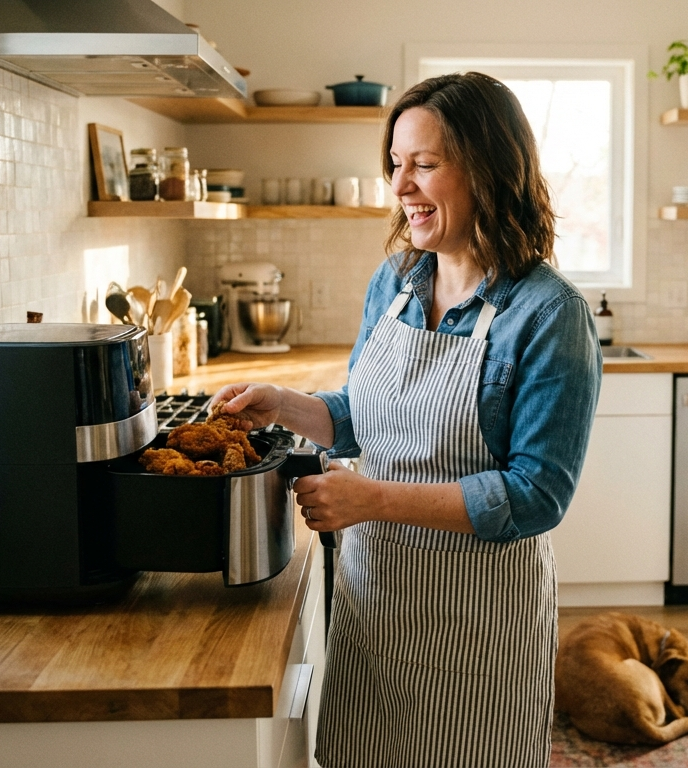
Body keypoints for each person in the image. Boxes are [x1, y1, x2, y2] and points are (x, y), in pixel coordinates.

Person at [215, 72, 601, 768]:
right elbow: (363, 418)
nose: (401, 186)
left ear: (489, 168)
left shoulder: (549, 315)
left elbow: (537, 495)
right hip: (376, 604)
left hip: (479, 626)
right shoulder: (394, 282)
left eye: (424, 165)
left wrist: (374, 499)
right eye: (396, 164)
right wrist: (285, 404)